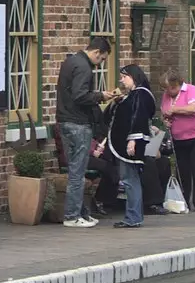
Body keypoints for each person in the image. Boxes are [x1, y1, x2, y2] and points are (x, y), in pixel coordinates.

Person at [56, 36, 115, 228]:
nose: (101, 63)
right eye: (102, 58)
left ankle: (82, 213)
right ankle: (72, 216)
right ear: (97, 52)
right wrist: (101, 95)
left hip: (64, 121)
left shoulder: (70, 62)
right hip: (78, 123)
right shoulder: (84, 68)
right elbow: (80, 95)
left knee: (76, 169)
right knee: (77, 171)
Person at [105, 65, 155, 228]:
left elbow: (138, 118)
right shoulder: (134, 95)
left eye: (124, 77)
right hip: (126, 142)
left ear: (134, 77)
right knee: (130, 179)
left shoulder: (141, 95)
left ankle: (133, 217)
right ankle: (134, 215)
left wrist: (133, 140)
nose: (121, 80)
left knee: (130, 180)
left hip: (131, 144)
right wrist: (116, 102)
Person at [162, 71, 195, 212]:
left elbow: (193, 108)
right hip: (179, 137)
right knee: (182, 170)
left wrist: (175, 110)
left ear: (177, 84)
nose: (168, 91)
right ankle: (183, 199)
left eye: (171, 88)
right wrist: (166, 120)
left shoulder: (191, 90)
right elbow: (165, 111)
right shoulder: (166, 96)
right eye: (166, 89)